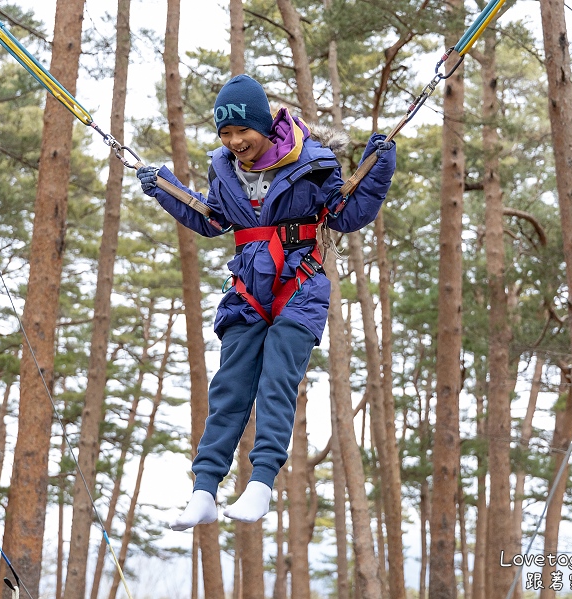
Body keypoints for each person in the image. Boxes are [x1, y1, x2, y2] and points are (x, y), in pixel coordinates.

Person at [137, 74, 396, 531]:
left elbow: (345, 212)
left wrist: (379, 168)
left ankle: (260, 484)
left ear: (265, 124)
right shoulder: (223, 168)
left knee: (276, 380)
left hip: (299, 286)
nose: (236, 141)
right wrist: (164, 187)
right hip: (247, 290)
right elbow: (212, 218)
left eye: (243, 131)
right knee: (230, 388)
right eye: (226, 133)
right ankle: (204, 488)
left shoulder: (313, 162)